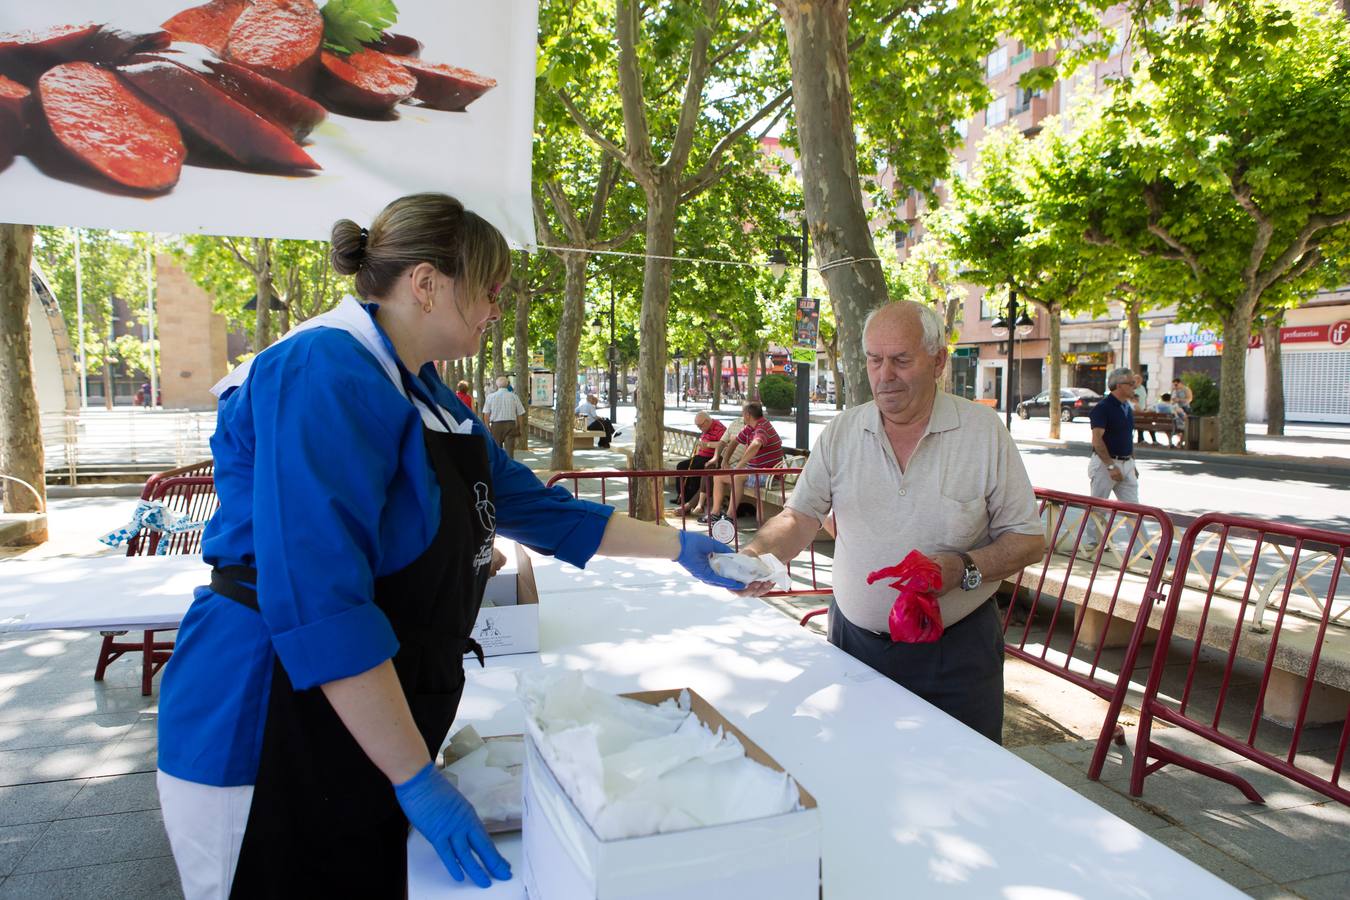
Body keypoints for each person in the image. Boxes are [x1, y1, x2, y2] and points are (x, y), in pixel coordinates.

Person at [154, 193, 744, 900]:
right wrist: (416, 779)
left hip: (368, 716)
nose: (496, 308)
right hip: (265, 713)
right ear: (427, 284)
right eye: (488, 290)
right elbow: (322, 599)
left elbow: (537, 510)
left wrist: (679, 546)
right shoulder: (324, 369)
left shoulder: (429, 394)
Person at [736, 301, 1045, 743]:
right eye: (875, 360)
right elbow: (800, 516)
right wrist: (753, 556)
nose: (885, 375)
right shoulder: (842, 432)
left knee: (961, 780)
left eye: (901, 360)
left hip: (956, 651)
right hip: (854, 645)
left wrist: (960, 569)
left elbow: (1028, 540)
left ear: (938, 360)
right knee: (861, 771)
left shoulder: (982, 431)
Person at [700, 401, 784, 524]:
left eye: (743, 413)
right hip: (753, 471)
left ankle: (729, 517)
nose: (742, 416)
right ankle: (715, 513)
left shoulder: (762, 427)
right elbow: (734, 442)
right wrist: (725, 460)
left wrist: (739, 466)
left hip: (768, 475)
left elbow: (756, 444)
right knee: (718, 476)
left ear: (748, 415)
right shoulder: (750, 427)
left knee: (738, 476)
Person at [1087, 366, 1143, 547]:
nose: (1134, 387)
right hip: (1105, 464)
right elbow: (1097, 440)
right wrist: (1111, 466)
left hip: (1126, 462)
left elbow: (1127, 437)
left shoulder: (1126, 407)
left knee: (1134, 509)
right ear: (1119, 385)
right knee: (1098, 507)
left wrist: (1132, 463)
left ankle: (1144, 549)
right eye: (1131, 383)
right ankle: (1094, 543)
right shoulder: (1103, 408)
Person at [675, 411, 727, 515]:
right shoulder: (706, 428)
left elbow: (724, 444)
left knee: (695, 469)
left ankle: (690, 501)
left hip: (711, 457)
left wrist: (707, 445)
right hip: (701, 456)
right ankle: (682, 496)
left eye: (700, 426)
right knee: (681, 466)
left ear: (707, 422)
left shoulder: (720, 429)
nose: (699, 428)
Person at [483, 375, 526, 457]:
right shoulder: (514, 396)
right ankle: (509, 467)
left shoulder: (490, 397)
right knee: (510, 451)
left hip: (496, 426)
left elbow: (486, 414)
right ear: (507, 384)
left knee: (496, 451)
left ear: (497, 385)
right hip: (510, 425)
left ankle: (499, 468)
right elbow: (520, 414)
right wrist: (520, 427)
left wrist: (487, 426)